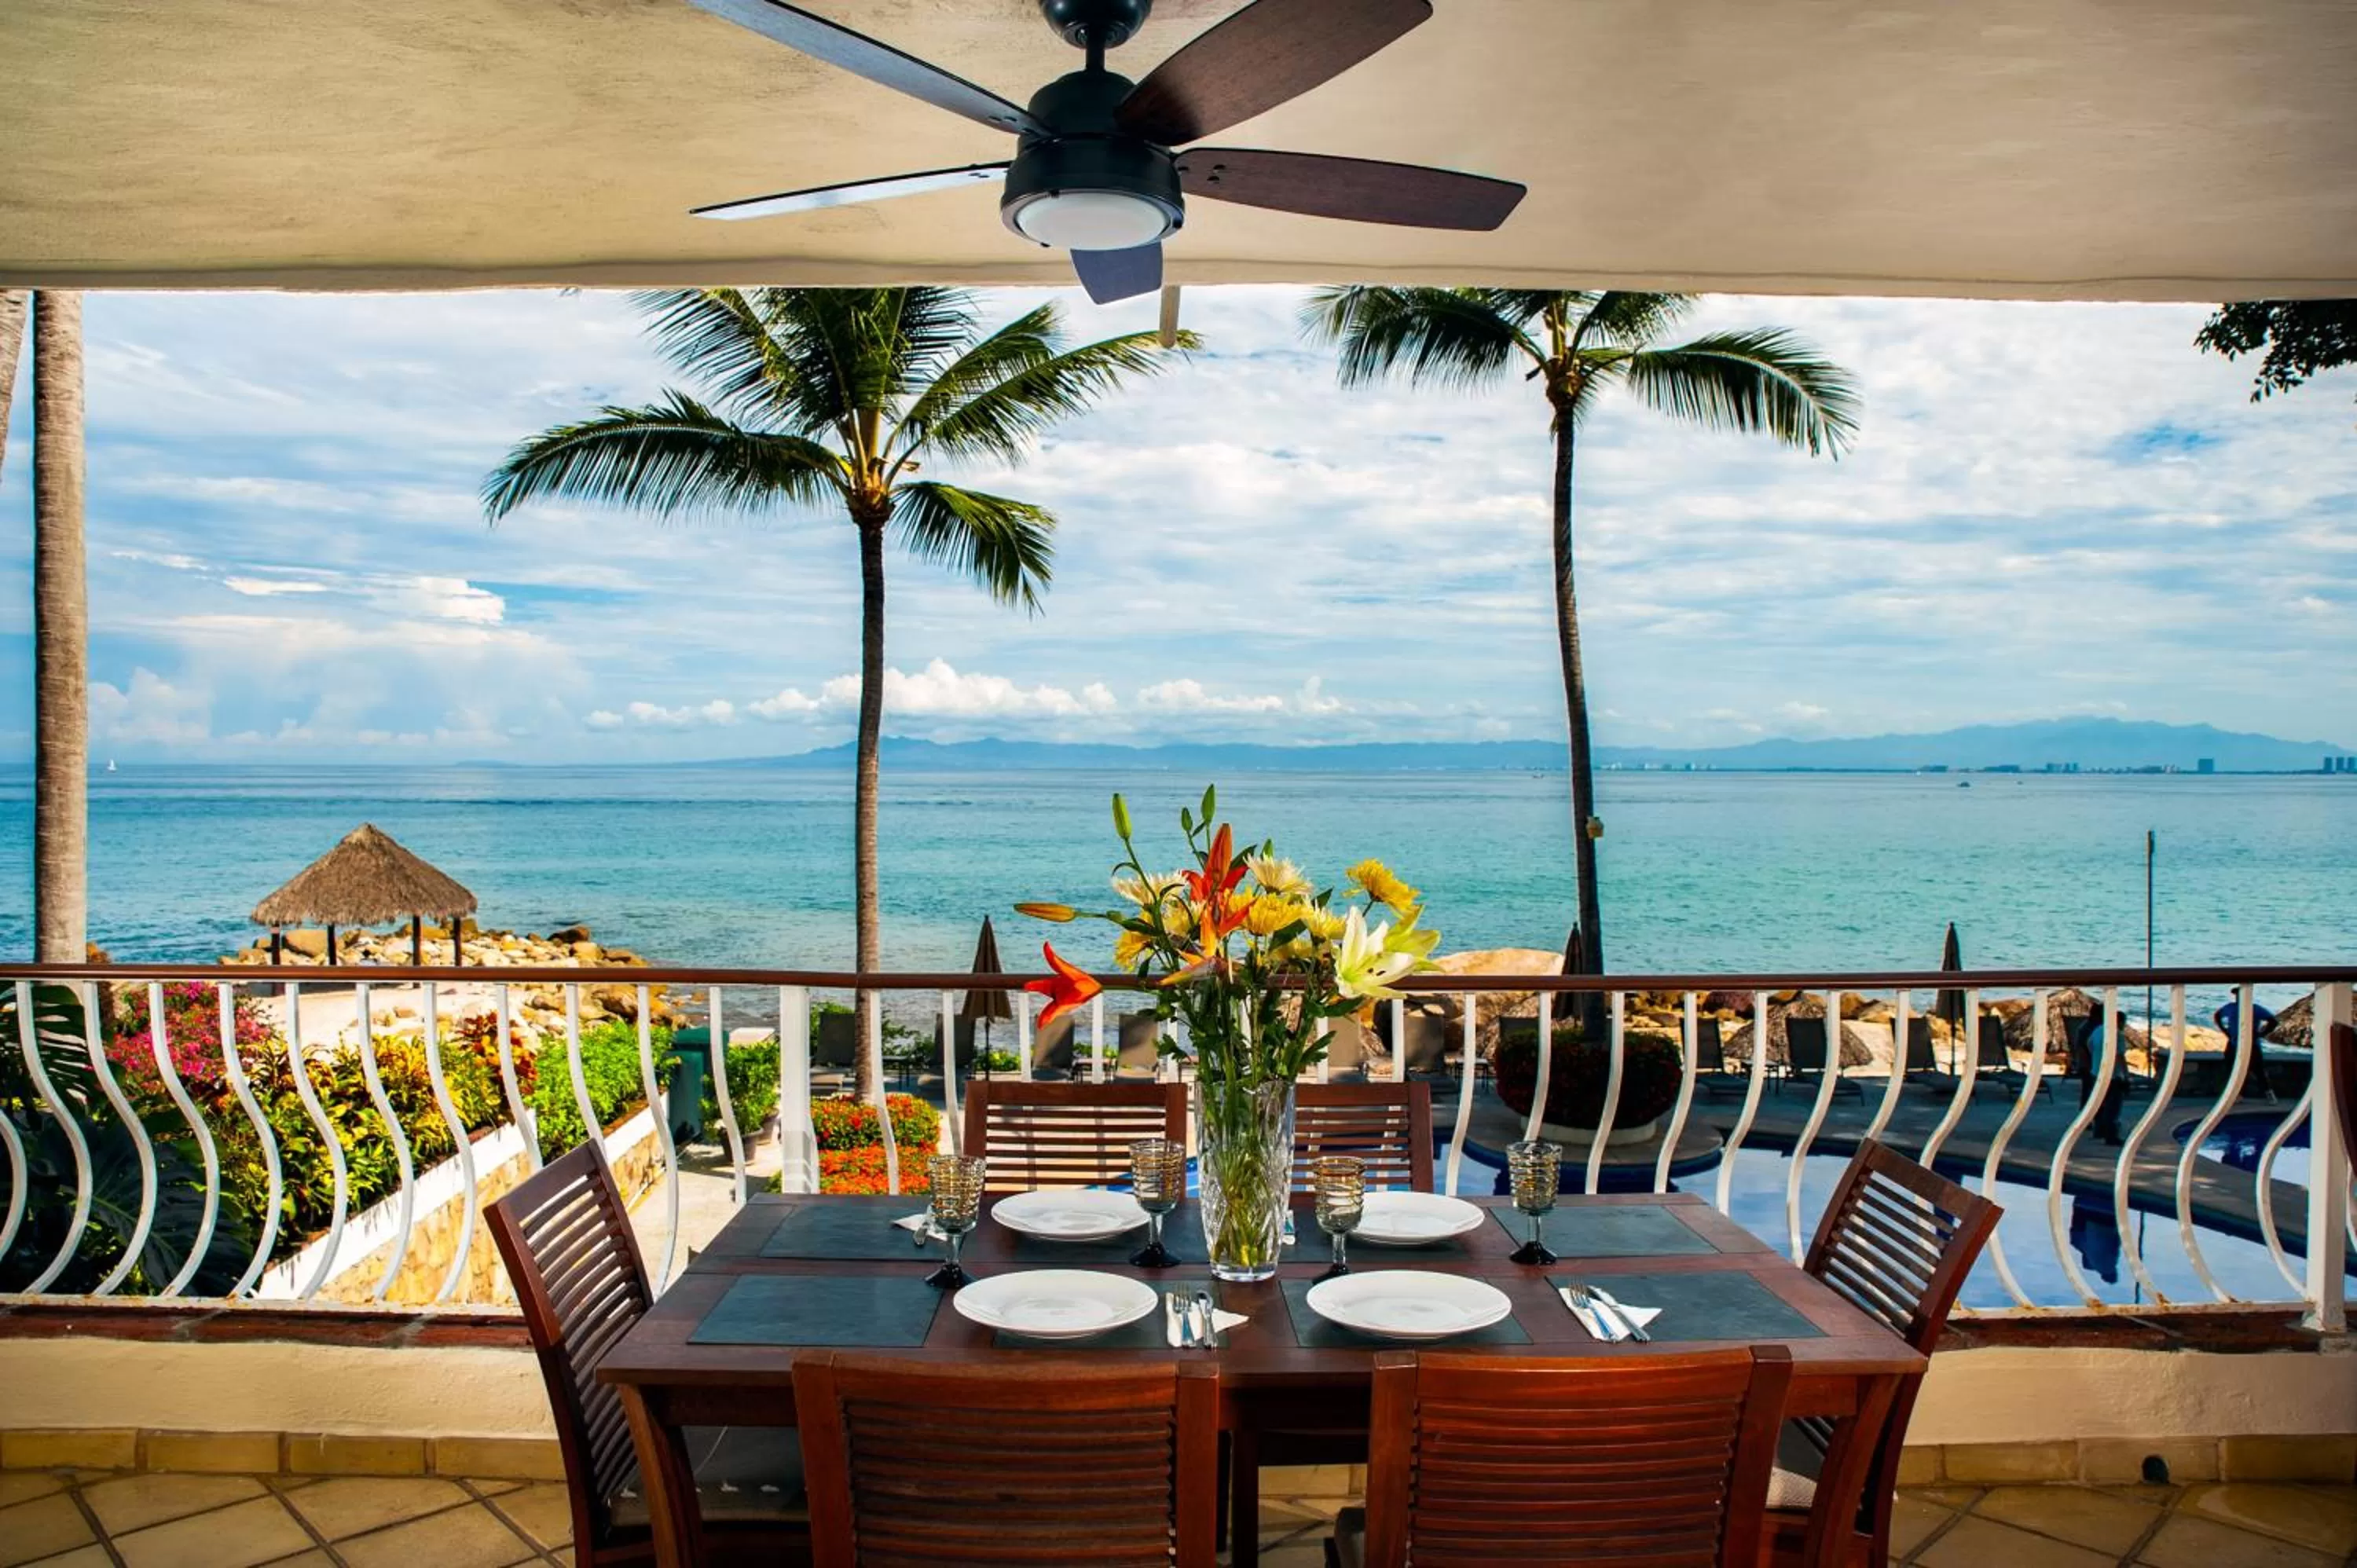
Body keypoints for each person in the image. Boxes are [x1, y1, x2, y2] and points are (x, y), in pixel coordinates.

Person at [2069, 1012, 2126, 1145]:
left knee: (2100, 1103)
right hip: (2113, 1075)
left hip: (2096, 1072)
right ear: (2119, 1022)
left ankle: (2098, 1130)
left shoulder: (2098, 1030)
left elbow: (2089, 1044)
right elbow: (2120, 1056)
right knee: (2113, 1107)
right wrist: (2126, 1075)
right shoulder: (2118, 1035)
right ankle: (2111, 1135)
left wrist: (2097, 1057)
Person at [2212, 998, 2280, 1100]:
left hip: (2251, 1044)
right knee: (2231, 1069)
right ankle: (2237, 1094)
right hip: (2234, 1043)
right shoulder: (2231, 1007)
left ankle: (2268, 1093)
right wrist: (2225, 1030)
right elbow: (2217, 1015)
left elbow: (2273, 1021)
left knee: (2258, 1070)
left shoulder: (2254, 1008)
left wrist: (2261, 1034)